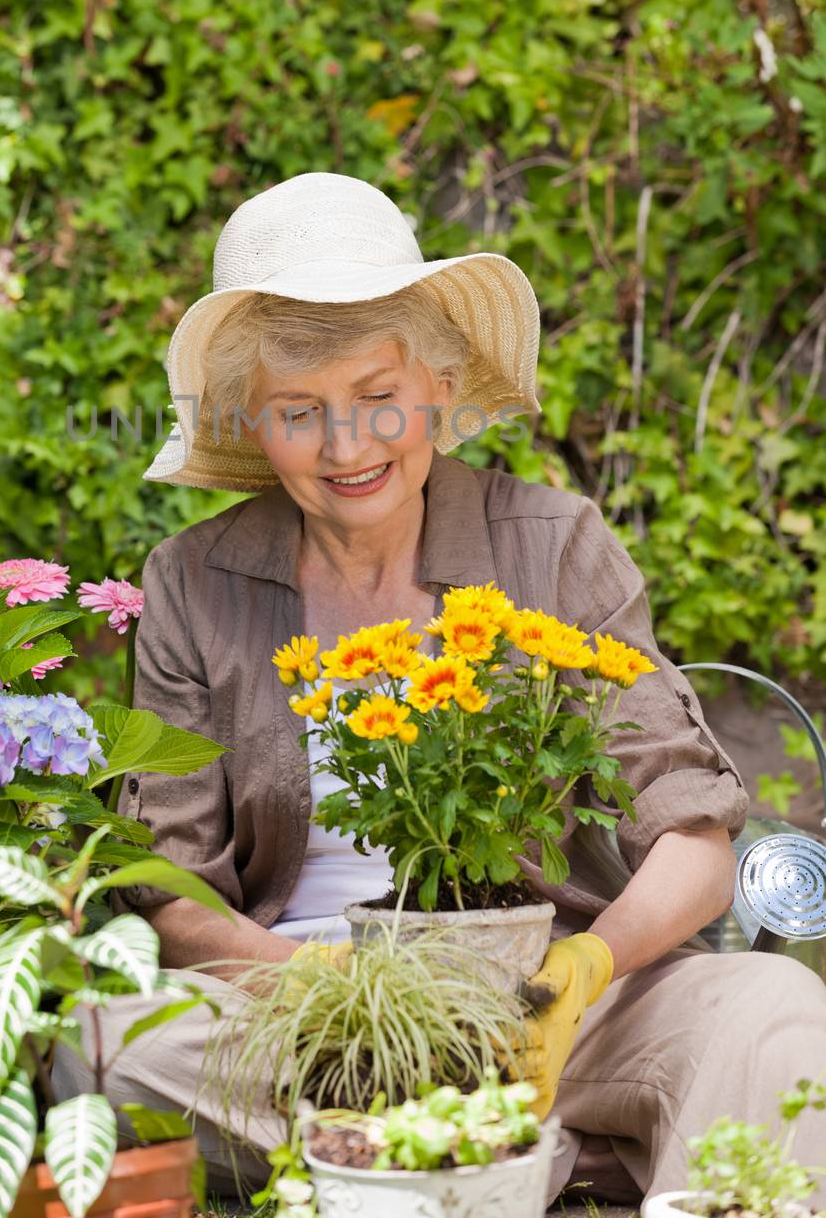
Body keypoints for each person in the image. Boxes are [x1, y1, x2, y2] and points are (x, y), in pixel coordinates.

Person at [53, 171, 826, 1210]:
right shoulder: (193, 580)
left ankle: (438, 1147)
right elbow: (172, 890)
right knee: (97, 1041)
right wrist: (335, 995)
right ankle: (524, 1151)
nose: (346, 447)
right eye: (299, 411)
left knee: (773, 1005)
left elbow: (691, 837)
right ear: (247, 415)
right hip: (303, 1018)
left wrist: (586, 969)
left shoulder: (552, 544)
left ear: (438, 386)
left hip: (546, 1004)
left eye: (378, 398)